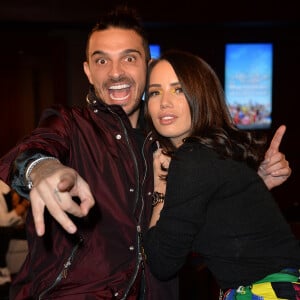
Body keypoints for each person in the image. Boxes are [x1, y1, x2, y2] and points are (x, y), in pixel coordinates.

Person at [0, 6, 291, 300]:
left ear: (146, 65)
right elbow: (35, 148)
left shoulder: (167, 145)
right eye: (102, 60)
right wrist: (42, 169)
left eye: (129, 58)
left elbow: (191, 234)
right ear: (88, 70)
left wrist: (245, 186)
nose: (115, 72)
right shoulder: (70, 124)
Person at [142, 49, 300, 300]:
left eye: (178, 89)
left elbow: (162, 262)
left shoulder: (191, 158)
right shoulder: (211, 151)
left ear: (201, 94)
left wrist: (160, 185)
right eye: (154, 92)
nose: (164, 102)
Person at [0, 180, 28, 287]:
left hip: (19, 226)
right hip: (10, 227)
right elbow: (3, 221)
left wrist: (22, 206)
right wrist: (19, 209)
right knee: (4, 231)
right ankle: (2, 269)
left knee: (4, 231)